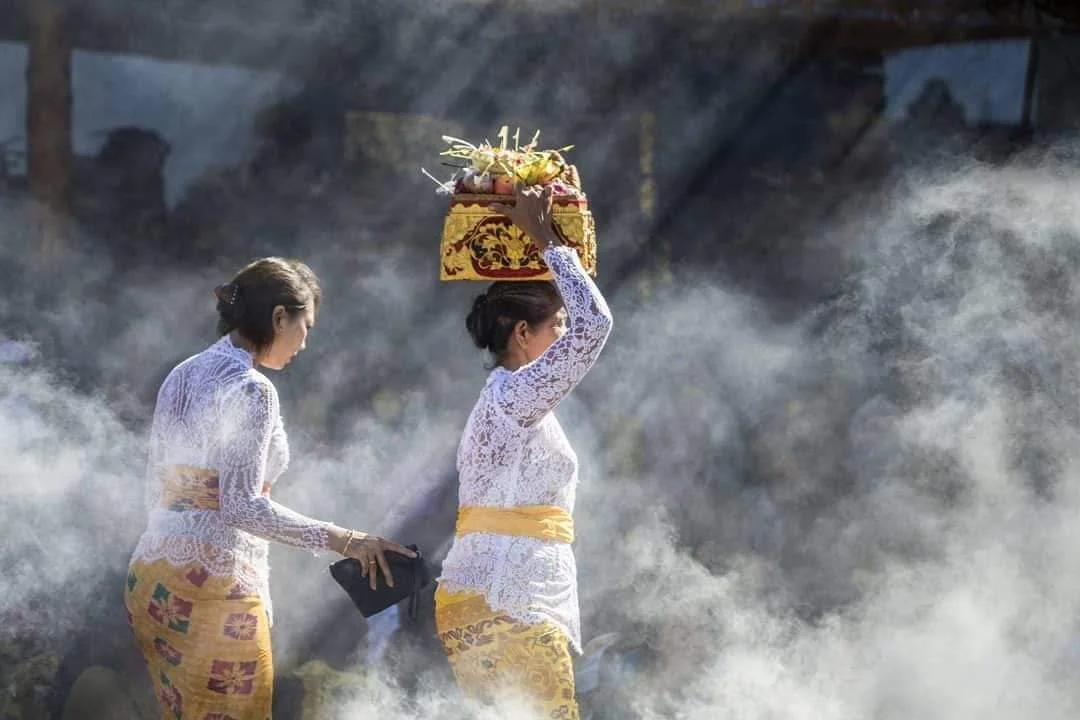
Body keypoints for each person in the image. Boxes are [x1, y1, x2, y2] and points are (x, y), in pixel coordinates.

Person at [124, 257, 414, 719]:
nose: (305, 343)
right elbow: (241, 507)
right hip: (212, 585)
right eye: (306, 327)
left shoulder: (181, 374)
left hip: (153, 579)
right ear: (280, 317)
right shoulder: (252, 389)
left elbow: (155, 488)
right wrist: (346, 540)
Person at [435, 185, 614, 719]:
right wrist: (545, 240)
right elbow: (596, 327)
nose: (565, 334)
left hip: (488, 596)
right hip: (507, 596)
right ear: (522, 333)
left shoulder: (509, 399)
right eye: (557, 325)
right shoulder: (513, 394)